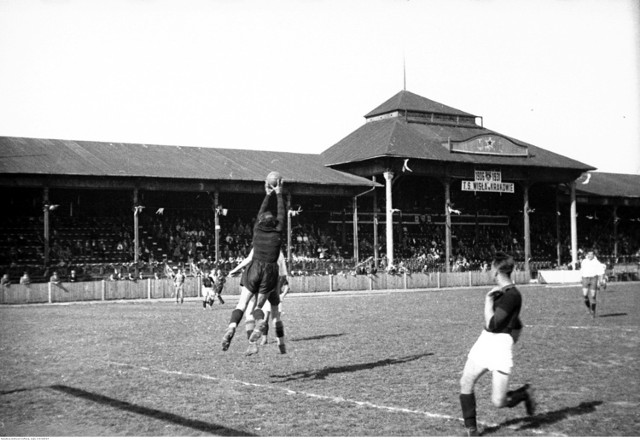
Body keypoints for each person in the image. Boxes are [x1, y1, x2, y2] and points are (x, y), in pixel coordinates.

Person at [459, 252, 535, 437]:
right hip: (486, 341)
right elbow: (517, 324)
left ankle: (524, 393)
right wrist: (514, 335)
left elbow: (492, 324)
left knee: (498, 401)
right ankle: (472, 430)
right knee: (466, 381)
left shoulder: (512, 295)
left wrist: (487, 302)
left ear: (496, 271)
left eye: (490, 267)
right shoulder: (501, 292)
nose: (488, 270)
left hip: (499, 345)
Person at [220, 177, 284, 350]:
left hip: (254, 268)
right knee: (259, 306)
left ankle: (232, 327)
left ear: (261, 221)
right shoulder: (278, 232)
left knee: (242, 304)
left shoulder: (257, 230)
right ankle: (260, 324)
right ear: (275, 223)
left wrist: (267, 194)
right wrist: (278, 193)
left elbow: (261, 212)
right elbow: (281, 212)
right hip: (270, 271)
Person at [580, 250, 606, 317]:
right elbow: (582, 270)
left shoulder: (596, 262)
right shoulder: (584, 261)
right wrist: (580, 278)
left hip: (593, 278)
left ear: (594, 255)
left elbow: (601, 271)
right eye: (589, 254)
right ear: (587, 255)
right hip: (585, 278)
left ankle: (593, 311)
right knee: (585, 295)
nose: (590, 255)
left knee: (593, 296)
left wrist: (601, 280)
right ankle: (589, 308)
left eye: (591, 254)